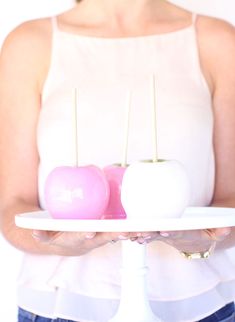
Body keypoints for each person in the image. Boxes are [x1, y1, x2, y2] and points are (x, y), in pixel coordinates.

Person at [0, 0, 235, 321]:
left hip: (200, 306)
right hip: (60, 305)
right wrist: (58, 244)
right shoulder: (29, 44)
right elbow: (13, 207)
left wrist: (199, 240)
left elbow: (231, 201)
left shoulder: (218, 41)